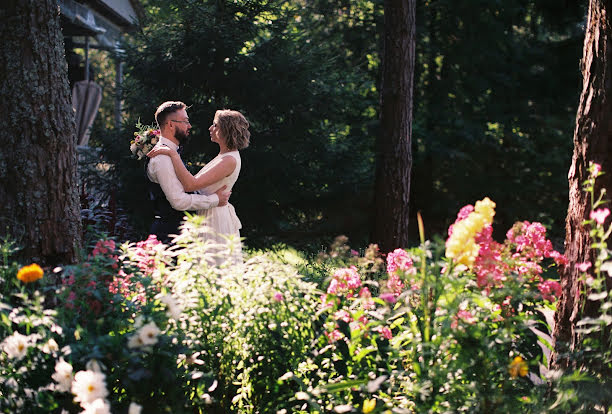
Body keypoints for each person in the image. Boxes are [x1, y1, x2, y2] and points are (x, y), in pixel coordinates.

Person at [147, 109, 250, 264]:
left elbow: (190, 184)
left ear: (226, 130)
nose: (210, 128)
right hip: (208, 214)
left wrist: (173, 155)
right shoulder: (223, 156)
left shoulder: (229, 160)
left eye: (215, 125)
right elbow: (192, 182)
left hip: (216, 217)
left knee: (214, 266)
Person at [147, 101, 231, 244]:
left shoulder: (171, 153)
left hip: (178, 234)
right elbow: (178, 201)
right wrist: (215, 200)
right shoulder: (162, 157)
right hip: (169, 238)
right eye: (185, 121)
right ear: (171, 125)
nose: (189, 126)